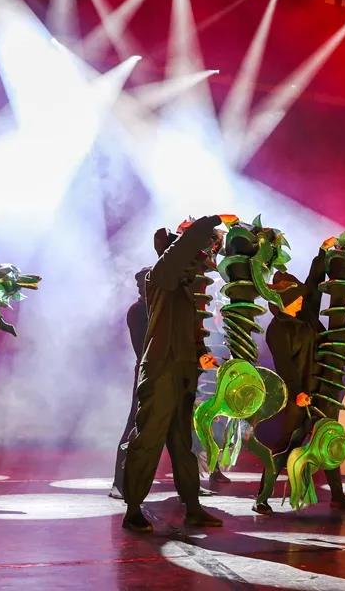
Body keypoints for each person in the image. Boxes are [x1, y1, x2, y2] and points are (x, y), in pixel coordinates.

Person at [121, 215, 229, 532]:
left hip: (182, 370)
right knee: (148, 440)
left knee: (184, 444)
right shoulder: (161, 275)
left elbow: (191, 329)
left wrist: (201, 354)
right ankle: (133, 510)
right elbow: (182, 249)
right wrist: (211, 221)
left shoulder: (184, 288)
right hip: (161, 370)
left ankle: (193, 507)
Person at [254, 238, 345, 514]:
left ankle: (337, 495)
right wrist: (297, 393)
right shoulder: (277, 330)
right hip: (298, 394)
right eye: (296, 296)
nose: (302, 298)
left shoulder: (307, 315)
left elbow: (313, 285)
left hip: (321, 387)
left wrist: (322, 253)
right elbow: (284, 366)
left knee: (327, 435)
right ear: (284, 301)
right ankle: (262, 498)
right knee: (285, 444)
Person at [110, 266, 151, 500]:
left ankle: (189, 486)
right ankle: (118, 482)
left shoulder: (156, 308)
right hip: (146, 373)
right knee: (134, 425)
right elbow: (142, 348)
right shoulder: (137, 310)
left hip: (159, 372)